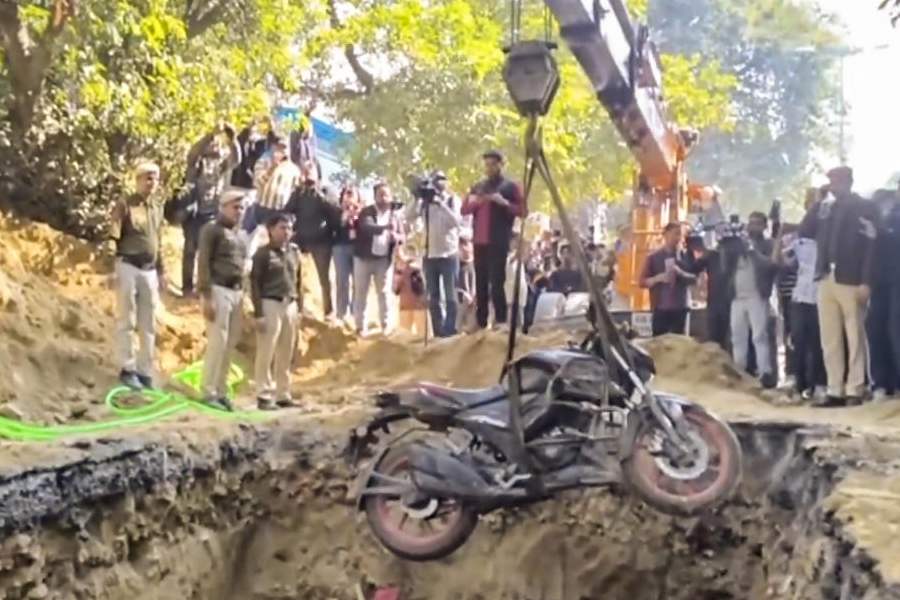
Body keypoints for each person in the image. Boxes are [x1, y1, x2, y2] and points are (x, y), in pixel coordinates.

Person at [800, 166, 877, 406]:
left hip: (852, 277)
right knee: (830, 337)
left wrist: (866, 280)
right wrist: (817, 203)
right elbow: (805, 231)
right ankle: (835, 388)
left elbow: (871, 247)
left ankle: (855, 387)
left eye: (837, 180)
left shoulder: (864, 206)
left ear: (849, 181)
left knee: (854, 335)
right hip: (826, 276)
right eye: (831, 181)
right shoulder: (826, 209)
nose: (833, 184)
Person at [109, 162, 165, 390]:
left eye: (155, 178)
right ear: (138, 180)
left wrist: (163, 270)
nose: (151, 183)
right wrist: (111, 266)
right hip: (128, 266)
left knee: (148, 323)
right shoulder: (125, 205)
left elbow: (157, 241)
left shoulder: (157, 207)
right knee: (127, 320)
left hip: (149, 269)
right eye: (147, 178)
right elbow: (113, 235)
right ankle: (127, 368)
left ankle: (145, 371)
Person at [196, 189, 249, 412]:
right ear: (223, 207)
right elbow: (204, 263)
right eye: (235, 207)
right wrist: (206, 296)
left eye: (242, 207)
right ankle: (207, 391)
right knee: (218, 343)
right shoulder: (212, 230)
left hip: (237, 293)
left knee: (229, 346)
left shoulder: (241, 236)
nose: (239, 211)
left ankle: (221, 390)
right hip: (218, 289)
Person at [462, 150, 526, 329]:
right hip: (479, 240)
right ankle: (480, 322)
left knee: (497, 281)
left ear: (500, 165)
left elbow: (523, 211)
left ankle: (500, 320)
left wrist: (504, 203)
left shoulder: (510, 187)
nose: (489, 168)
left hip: (498, 239)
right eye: (487, 165)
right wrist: (474, 201)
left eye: (493, 164)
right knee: (480, 282)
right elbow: (464, 209)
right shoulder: (478, 187)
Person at [182, 123, 241, 298]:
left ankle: (205, 287)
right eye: (212, 143)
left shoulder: (221, 165)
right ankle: (187, 288)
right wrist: (210, 134)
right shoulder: (197, 163)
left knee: (208, 252)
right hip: (194, 212)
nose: (215, 146)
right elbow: (193, 152)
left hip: (212, 213)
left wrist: (232, 138)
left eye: (217, 143)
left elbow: (236, 159)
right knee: (189, 251)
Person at [250, 213, 302, 411]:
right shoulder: (262, 254)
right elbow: (254, 283)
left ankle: (283, 393)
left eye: (288, 228)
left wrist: (300, 307)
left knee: (286, 351)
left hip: (290, 304)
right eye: (282, 227)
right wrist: (258, 312)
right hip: (270, 302)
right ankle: (263, 394)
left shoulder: (294, 252)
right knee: (266, 350)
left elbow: (299, 280)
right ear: (270, 230)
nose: (286, 231)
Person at [778, 203, 825, 400]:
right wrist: (779, 240)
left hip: (816, 297)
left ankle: (816, 383)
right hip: (801, 296)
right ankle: (800, 383)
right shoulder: (798, 243)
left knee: (816, 342)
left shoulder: (824, 243)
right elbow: (783, 261)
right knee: (800, 341)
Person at [726, 212, 777, 389]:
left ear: (764, 226)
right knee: (737, 336)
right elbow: (725, 267)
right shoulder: (737, 243)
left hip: (757, 295)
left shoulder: (768, 244)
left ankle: (765, 372)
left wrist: (752, 251)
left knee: (759, 335)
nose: (752, 226)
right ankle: (739, 371)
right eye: (750, 223)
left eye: (757, 223)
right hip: (737, 297)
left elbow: (771, 265)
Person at [409, 171, 463, 337]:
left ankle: (450, 330)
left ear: (447, 182)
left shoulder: (452, 200)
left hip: (449, 254)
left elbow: (456, 222)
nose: (438, 182)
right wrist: (417, 198)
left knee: (450, 295)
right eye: (435, 179)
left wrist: (441, 204)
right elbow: (409, 216)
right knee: (433, 296)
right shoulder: (425, 202)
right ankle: (438, 331)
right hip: (429, 254)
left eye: (442, 179)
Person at [285, 160, 339, 319]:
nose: (307, 173)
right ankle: (298, 307)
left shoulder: (326, 190)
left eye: (311, 170)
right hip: (301, 237)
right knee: (296, 273)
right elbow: (287, 210)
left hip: (321, 239)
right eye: (305, 170)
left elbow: (335, 212)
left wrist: (319, 194)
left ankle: (329, 310)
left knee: (324, 277)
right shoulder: (299, 192)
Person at [354, 182, 404, 335]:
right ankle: (360, 327)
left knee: (383, 293)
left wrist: (397, 237)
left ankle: (386, 326)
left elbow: (402, 236)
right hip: (363, 258)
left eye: (386, 195)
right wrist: (385, 228)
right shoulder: (367, 212)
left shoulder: (395, 215)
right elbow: (367, 227)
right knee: (361, 292)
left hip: (383, 260)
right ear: (375, 197)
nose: (383, 198)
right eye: (380, 195)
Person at [866, 188, 900, 401]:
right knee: (875, 328)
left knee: (895, 329)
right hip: (880, 281)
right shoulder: (883, 218)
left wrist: (880, 233)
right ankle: (882, 383)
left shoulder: (890, 221)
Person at [639, 223, 697, 336]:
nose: (677, 238)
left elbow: (695, 279)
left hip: (681, 308)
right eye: (675, 234)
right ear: (665, 235)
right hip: (660, 308)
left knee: (679, 345)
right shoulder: (653, 257)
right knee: (660, 343)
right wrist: (657, 278)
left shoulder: (687, 256)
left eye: (680, 235)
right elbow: (641, 282)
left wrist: (680, 273)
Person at [252, 135, 300, 225]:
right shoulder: (263, 162)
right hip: (262, 207)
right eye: (279, 147)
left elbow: (294, 191)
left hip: (279, 211)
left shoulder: (294, 170)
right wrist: (272, 168)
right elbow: (257, 183)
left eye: (284, 148)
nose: (281, 151)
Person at [333, 186, 362, 323]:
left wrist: (357, 214)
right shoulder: (336, 211)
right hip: (340, 247)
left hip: (358, 248)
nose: (349, 196)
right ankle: (341, 313)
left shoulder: (362, 212)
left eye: (352, 194)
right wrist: (344, 215)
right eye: (347, 194)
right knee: (342, 281)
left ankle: (356, 313)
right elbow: (333, 227)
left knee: (358, 282)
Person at [392, 246, 428, 335]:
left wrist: (405, 263)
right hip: (405, 306)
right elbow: (395, 289)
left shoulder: (417, 268)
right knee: (404, 336)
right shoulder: (398, 271)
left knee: (422, 334)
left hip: (419, 307)